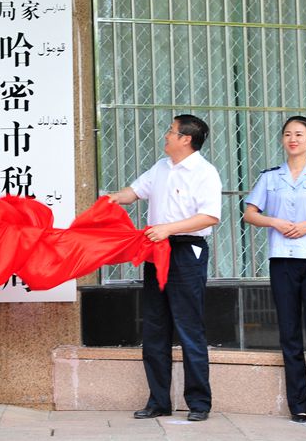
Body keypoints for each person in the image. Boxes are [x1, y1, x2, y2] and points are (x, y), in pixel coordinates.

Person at [108, 115, 222, 422]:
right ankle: (158, 401)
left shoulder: (205, 173)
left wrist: (169, 229)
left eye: (171, 132)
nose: (166, 136)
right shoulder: (160, 167)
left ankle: (198, 402)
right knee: (155, 328)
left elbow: (210, 216)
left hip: (187, 251)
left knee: (189, 328)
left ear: (186, 139)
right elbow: (134, 192)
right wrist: (112, 199)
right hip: (156, 250)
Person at [243, 116, 306, 427]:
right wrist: (274, 221)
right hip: (282, 259)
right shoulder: (270, 177)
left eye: (300, 134)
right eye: (288, 134)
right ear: (283, 140)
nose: (293, 139)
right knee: (289, 333)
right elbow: (250, 213)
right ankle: (298, 405)